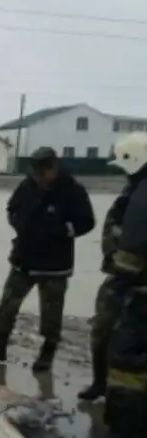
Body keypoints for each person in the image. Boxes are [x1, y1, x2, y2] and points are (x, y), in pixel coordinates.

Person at [0, 147, 95, 372]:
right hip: (24, 258)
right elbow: (11, 207)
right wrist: (17, 222)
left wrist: (61, 230)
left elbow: (87, 222)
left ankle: (47, 354)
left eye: (43, 173)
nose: (39, 178)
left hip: (55, 264)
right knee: (7, 305)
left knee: (51, 312)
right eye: (35, 174)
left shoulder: (73, 190)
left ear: (54, 168)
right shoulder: (27, 186)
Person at [78, 135, 146, 400]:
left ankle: (123, 407)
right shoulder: (134, 190)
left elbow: (135, 245)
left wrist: (121, 276)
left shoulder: (141, 194)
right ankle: (100, 383)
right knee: (103, 332)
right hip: (122, 274)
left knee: (122, 342)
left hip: (130, 280)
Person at [103, 133, 147, 438]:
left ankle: (125, 429)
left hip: (141, 296)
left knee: (126, 364)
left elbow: (131, 255)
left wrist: (119, 283)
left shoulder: (142, 195)